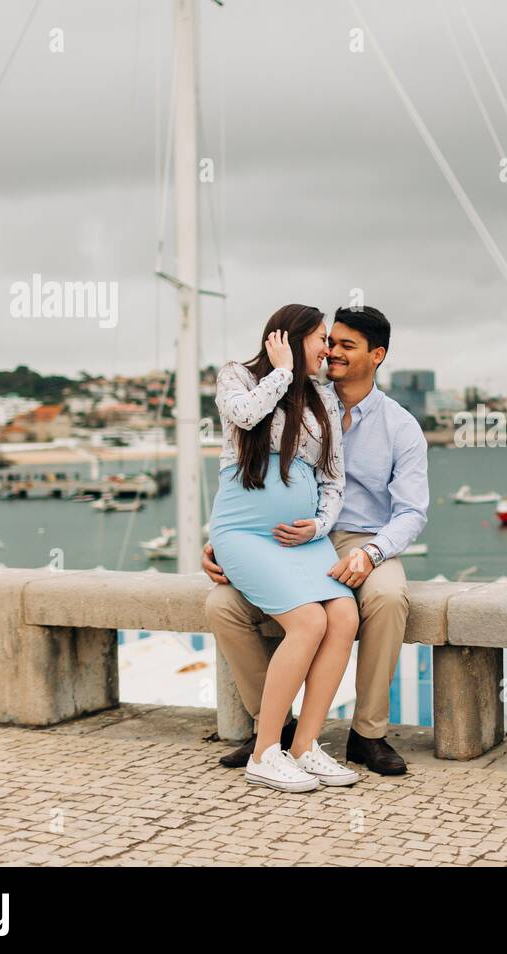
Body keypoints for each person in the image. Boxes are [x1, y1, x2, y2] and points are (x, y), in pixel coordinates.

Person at [204, 305, 429, 776]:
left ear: (378, 355)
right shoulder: (299, 391)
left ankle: (367, 735)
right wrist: (227, 543)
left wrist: (370, 553)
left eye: (346, 345)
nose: (333, 352)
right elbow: (244, 455)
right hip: (287, 537)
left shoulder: (401, 426)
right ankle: (276, 729)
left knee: (384, 599)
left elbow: (410, 512)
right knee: (222, 607)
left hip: (359, 536)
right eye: (329, 341)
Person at [208, 303, 362, 793]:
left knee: (343, 617)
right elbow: (245, 415)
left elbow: (333, 477)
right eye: (321, 338)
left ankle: (306, 747)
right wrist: (280, 373)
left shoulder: (323, 400)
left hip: (303, 541)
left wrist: (318, 528)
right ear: (292, 339)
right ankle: (264, 751)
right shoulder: (237, 376)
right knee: (309, 621)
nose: (328, 349)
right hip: (246, 535)